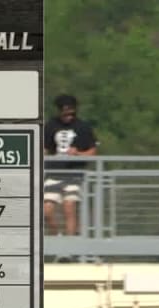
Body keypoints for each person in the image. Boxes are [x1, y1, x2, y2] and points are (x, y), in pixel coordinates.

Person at [43, 94, 98, 236]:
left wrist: (78, 154)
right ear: (59, 111)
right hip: (53, 174)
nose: (70, 116)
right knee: (46, 211)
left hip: (74, 174)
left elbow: (92, 152)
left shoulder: (83, 127)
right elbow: (45, 148)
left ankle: (70, 247)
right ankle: (58, 239)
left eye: (72, 113)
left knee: (69, 206)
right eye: (66, 113)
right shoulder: (51, 126)